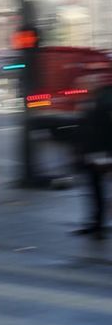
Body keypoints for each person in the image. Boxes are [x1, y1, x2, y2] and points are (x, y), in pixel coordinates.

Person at [73, 87, 112, 239]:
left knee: (97, 191)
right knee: (95, 191)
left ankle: (98, 225)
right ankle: (96, 224)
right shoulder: (92, 106)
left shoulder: (101, 107)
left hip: (99, 155)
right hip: (92, 155)